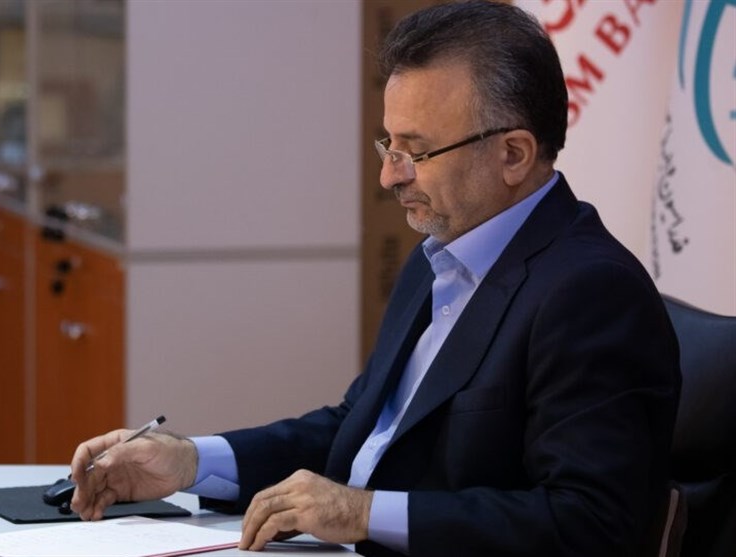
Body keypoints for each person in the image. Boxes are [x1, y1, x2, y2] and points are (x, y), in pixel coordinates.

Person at [70, 2, 681, 556]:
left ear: (513, 154)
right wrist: (191, 461)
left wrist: (362, 513)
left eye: (416, 151)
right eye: (388, 144)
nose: (390, 175)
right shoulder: (440, 252)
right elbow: (360, 428)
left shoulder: (591, 293)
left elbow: (590, 523)